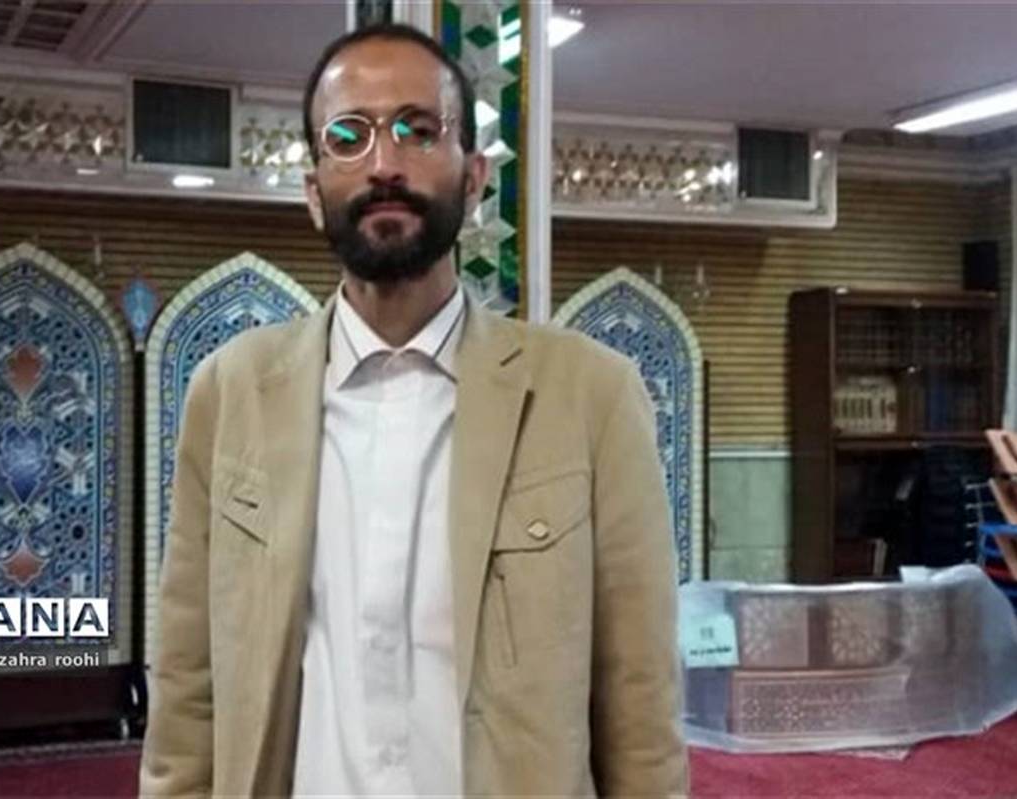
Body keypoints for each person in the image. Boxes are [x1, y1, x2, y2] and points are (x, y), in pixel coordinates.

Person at [139, 22, 688, 798]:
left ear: (473, 177)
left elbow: (640, 701)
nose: (384, 164)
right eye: (349, 136)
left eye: (417, 130)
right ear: (313, 190)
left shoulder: (590, 396)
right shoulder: (230, 394)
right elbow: (187, 688)